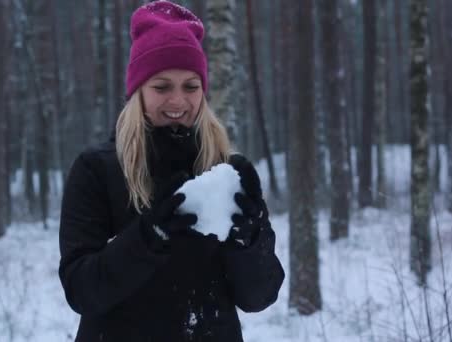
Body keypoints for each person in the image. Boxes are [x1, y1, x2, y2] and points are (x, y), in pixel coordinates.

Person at [58, 1, 284, 341]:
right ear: (138, 92)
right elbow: (82, 290)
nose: (178, 101)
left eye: (190, 86)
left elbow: (259, 297)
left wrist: (248, 240)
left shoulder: (223, 171)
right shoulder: (97, 169)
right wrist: (149, 236)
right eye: (162, 87)